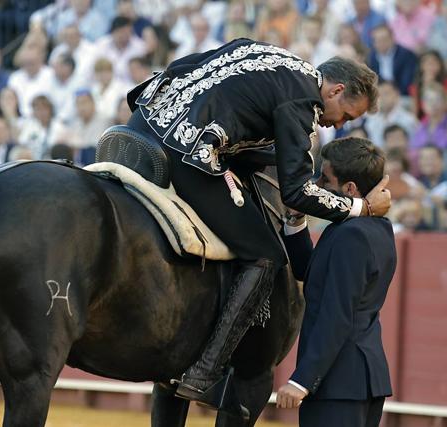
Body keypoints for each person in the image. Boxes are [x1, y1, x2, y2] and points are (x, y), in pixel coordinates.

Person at [125, 38, 391, 402]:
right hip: (184, 152)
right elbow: (295, 192)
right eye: (345, 115)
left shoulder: (269, 53)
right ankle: (205, 370)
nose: (337, 125)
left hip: (143, 123)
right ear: (336, 90)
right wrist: (361, 208)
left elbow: (186, 65)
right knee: (266, 255)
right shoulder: (303, 103)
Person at [275, 137, 396, 427]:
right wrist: (295, 218)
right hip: (354, 380)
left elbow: (337, 314)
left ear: (349, 189)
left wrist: (302, 381)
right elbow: (311, 271)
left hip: (339, 383)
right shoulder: (372, 228)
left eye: (325, 179)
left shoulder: (350, 234)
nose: (317, 185)